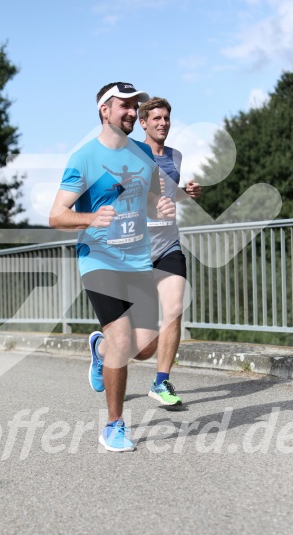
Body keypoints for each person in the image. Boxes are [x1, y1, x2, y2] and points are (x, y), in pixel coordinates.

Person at [49, 83, 176, 452]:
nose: (132, 112)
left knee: (146, 347)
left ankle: (100, 351)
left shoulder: (142, 156)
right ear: (104, 110)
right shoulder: (84, 157)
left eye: (135, 106)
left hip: (137, 261)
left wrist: (161, 209)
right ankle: (114, 426)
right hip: (99, 261)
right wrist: (90, 217)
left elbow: (151, 202)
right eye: (124, 106)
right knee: (123, 340)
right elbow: (57, 215)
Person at [139, 97, 201, 406]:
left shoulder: (175, 156)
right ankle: (102, 350)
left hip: (168, 245)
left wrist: (184, 194)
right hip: (135, 248)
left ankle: (161, 382)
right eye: (157, 118)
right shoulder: (132, 154)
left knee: (174, 309)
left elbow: (168, 194)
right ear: (143, 123)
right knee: (139, 346)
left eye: (166, 118)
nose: (163, 123)